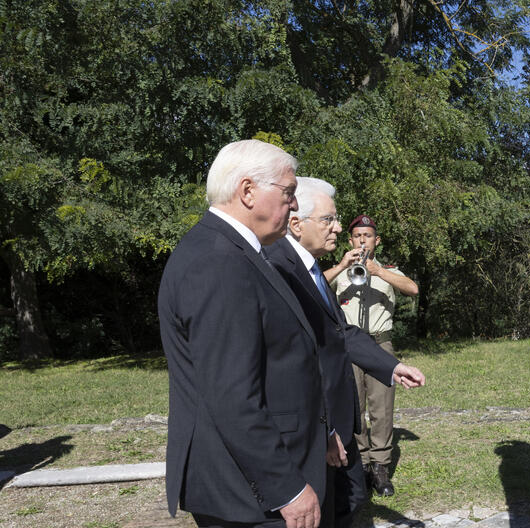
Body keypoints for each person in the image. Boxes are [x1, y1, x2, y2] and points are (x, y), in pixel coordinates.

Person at [158, 139, 325, 528]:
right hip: (250, 492)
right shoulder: (219, 260)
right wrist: (286, 489)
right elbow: (233, 395)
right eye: (288, 193)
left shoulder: (235, 252)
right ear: (248, 191)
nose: (295, 205)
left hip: (253, 482)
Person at [265, 177, 426, 527]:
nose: (339, 228)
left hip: (372, 352)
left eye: (339, 221)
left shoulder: (308, 269)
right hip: (314, 430)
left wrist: (391, 365)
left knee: (349, 499)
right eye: (329, 220)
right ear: (296, 223)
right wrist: (322, 431)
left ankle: (379, 467)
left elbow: (341, 331)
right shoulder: (284, 269)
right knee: (335, 505)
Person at [325, 215, 419, 497]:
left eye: (368, 235)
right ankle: (360, 464)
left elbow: (412, 289)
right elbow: (308, 283)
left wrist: (377, 272)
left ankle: (380, 467)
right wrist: (343, 265)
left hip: (380, 346)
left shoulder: (388, 270)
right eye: (357, 236)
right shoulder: (341, 272)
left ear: (376, 241)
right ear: (350, 240)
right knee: (354, 409)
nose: (362, 240)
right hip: (349, 348)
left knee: (381, 409)